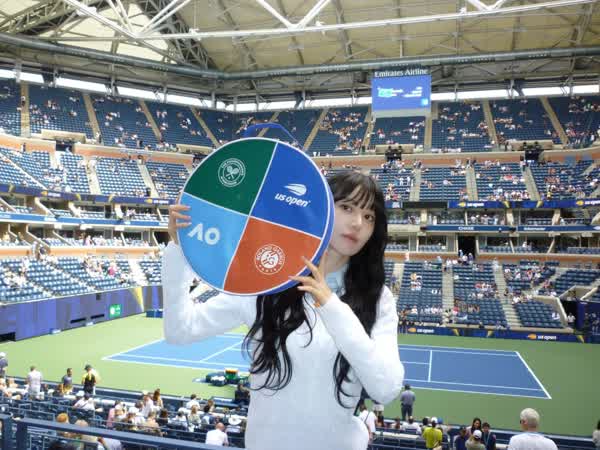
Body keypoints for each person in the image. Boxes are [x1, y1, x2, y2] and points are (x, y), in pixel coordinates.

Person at [163, 171, 405, 450]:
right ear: (321, 209)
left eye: (369, 216)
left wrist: (331, 305)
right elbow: (180, 330)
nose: (358, 223)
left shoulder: (378, 299)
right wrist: (179, 250)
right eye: (347, 208)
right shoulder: (266, 281)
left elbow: (386, 389)